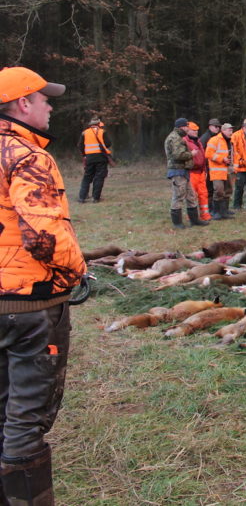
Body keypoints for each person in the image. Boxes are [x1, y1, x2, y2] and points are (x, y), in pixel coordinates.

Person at [0, 66, 86, 505]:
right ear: (23, 104)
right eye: (44, 99)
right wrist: (76, 273)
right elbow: (43, 236)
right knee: (26, 417)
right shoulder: (27, 156)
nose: (50, 107)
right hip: (29, 307)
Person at [164, 117, 207, 227]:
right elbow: (178, 155)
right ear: (182, 127)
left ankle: (194, 220)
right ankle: (177, 222)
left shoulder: (179, 137)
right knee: (178, 196)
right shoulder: (175, 138)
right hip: (177, 171)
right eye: (187, 126)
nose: (188, 128)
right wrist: (191, 154)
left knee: (191, 196)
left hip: (183, 171)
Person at [76, 116, 112, 203]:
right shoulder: (102, 132)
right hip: (101, 158)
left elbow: (80, 145)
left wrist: (84, 155)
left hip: (89, 158)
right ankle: (95, 198)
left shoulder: (84, 133)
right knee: (99, 177)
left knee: (87, 177)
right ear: (98, 124)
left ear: (90, 124)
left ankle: (82, 198)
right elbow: (108, 144)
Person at [206, 123, 236, 219]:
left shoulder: (231, 141)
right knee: (219, 191)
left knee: (228, 191)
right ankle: (216, 212)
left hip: (228, 170)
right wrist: (222, 159)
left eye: (232, 130)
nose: (231, 132)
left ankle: (224, 212)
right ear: (223, 131)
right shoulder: (214, 140)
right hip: (217, 171)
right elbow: (208, 153)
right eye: (229, 130)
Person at [184, 122, 211, 222]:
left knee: (203, 194)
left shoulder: (198, 141)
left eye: (197, 130)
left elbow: (203, 157)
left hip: (201, 172)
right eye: (193, 130)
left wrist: (205, 170)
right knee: (192, 195)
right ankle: (192, 217)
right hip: (191, 172)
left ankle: (205, 215)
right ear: (187, 130)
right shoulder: (184, 141)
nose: (196, 132)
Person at [203, 118, 221, 201]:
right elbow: (203, 153)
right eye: (216, 126)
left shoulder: (216, 137)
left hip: (214, 166)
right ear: (210, 126)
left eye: (219, 127)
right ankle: (209, 206)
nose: (218, 128)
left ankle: (212, 205)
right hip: (208, 167)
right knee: (209, 188)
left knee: (214, 188)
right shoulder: (205, 138)